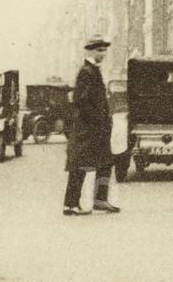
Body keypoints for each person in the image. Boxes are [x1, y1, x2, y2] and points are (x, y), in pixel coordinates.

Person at [63, 34, 120, 216]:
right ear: (89, 51)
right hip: (87, 129)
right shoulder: (86, 72)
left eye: (104, 50)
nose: (102, 54)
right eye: (99, 50)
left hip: (97, 129)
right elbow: (81, 100)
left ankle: (100, 200)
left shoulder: (93, 70)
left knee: (105, 162)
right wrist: (95, 120)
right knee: (79, 166)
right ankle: (70, 204)